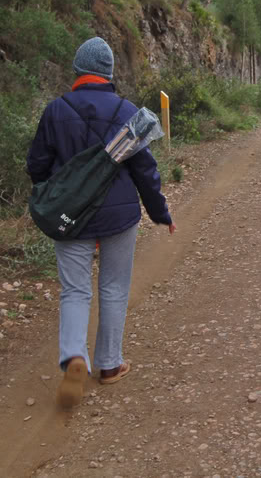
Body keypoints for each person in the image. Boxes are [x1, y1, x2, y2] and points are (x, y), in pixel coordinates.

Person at [26, 37, 176, 408]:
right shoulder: (129, 113)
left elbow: (37, 166)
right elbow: (145, 171)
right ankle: (109, 365)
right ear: (109, 73)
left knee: (75, 291)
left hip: (70, 215)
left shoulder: (55, 111)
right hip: (119, 216)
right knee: (113, 288)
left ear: (77, 71)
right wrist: (160, 213)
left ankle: (75, 357)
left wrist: (64, 190)